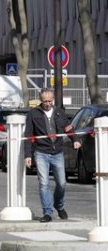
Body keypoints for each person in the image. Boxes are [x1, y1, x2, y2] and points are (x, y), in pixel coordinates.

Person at [24, 88, 77, 223]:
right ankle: (47, 212)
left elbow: (68, 128)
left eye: (49, 101)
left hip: (57, 152)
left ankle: (59, 205)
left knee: (62, 183)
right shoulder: (33, 113)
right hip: (41, 152)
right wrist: (27, 155)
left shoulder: (60, 112)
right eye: (45, 101)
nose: (47, 103)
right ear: (40, 101)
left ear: (52, 100)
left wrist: (75, 140)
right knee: (44, 183)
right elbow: (29, 135)